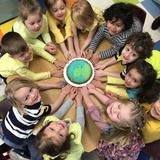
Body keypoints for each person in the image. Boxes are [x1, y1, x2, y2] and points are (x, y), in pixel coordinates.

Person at [0, 78, 73, 160]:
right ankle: (27, 155)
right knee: (38, 145)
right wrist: (64, 93)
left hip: (3, 129)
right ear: (21, 105)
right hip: (15, 140)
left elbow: (36, 85)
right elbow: (53, 108)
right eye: (26, 98)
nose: (33, 95)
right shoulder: (35, 112)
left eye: (31, 90)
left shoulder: (18, 99)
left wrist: (57, 85)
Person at [81, 85, 145, 160]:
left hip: (120, 154)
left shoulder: (108, 127)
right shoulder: (129, 122)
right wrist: (94, 91)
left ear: (121, 124)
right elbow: (110, 102)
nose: (114, 110)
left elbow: (93, 111)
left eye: (118, 116)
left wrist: (85, 95)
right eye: (119, 106)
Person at [36, 90, 84, 160]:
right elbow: (80, 121)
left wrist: (70, 99)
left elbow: (58, 114)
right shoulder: (74, 136)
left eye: (52, 129)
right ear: (67, 140)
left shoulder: (49, 122)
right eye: (61, 135)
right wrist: (79, 103)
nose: (59, 127)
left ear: (45, 126)